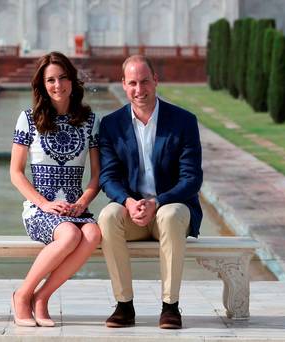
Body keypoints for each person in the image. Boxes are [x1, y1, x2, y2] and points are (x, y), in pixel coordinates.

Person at [98, 55, 203, 329]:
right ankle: (124, 305)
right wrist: (128, 202)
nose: (139, 89)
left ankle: (170, 307)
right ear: (123, 85)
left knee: (169, 215)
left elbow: (191, 179)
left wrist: (157, 202)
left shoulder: (183, 121)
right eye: (132, 83)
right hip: (133, 212)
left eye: (144, 81)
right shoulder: (111, 125)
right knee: (108, 216)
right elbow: (107, 177)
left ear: (156, 80)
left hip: (171, 209)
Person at [10, 51, 101, 327]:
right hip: (40, 210)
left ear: (73, 81)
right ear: (42, 85)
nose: (57, 85)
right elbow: (15, 173)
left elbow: (97, 175)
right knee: (70, 234)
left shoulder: (89, 121)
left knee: (94, 233)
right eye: (50, 80)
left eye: (62, 78)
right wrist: (44, 204)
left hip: (76, 207)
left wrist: (84, 201)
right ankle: (22, 295)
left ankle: (42, 297)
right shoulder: (28, 119)